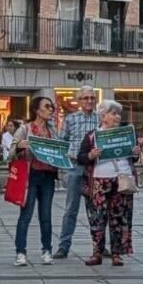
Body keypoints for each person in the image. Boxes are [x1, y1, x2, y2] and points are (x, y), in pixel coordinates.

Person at [76, 100, 140, 266]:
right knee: (97, 218)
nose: (117, 117)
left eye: (118, 113)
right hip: (98, 181)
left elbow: (133, 157)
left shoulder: (126, 134)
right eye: (113, 113)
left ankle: (117, 253)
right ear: (103, 116)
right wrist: (90, 155)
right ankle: (97, 252)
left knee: (119, 218)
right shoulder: (92, 136)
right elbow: (81, 157)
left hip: (121, 180)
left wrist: (136, 153)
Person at [12, 96, 60, 266]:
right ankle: (20, 252)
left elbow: (58, 152)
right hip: (30, 175)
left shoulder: (53, 131)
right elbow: (10, 153)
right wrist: (19, 146)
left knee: (45, 215)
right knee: (26, 215)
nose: (50, 110)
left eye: (52, 107)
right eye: (47, 107)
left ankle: (47, 250)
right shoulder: (25, 129)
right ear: (36, 110)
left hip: (47, 176)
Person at [55, 85, 100, 259]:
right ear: (79, 100)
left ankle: (99, 246)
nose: (89, 101)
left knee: (97, 209)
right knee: (70, 209)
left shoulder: (100, 118)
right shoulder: (70, 119)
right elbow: (61, 142)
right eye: (86, 98)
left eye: (92, 98)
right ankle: (64, 246)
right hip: (74, 166)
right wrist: (65, 166)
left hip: (95, 168)